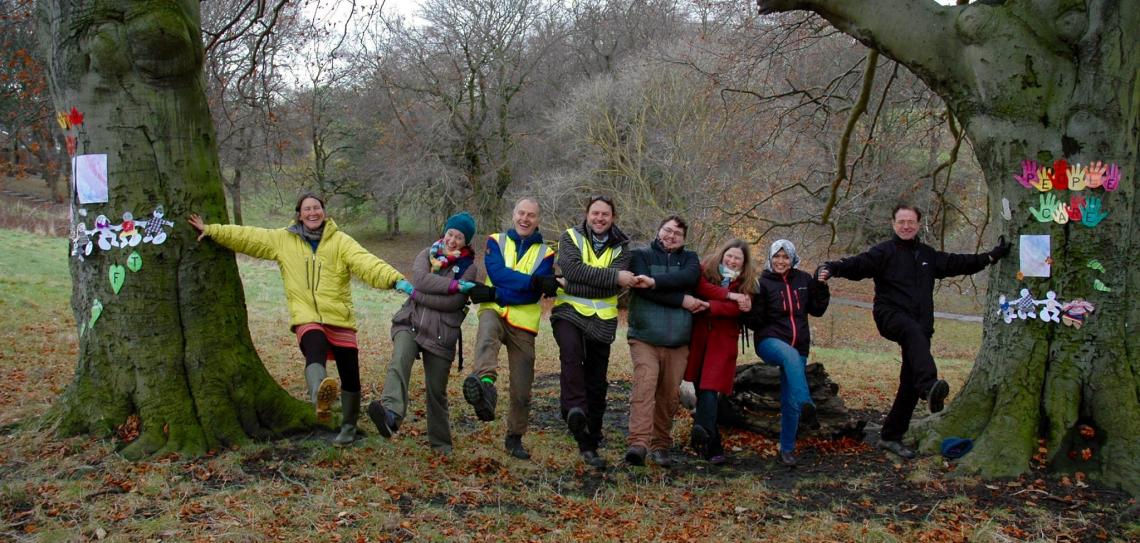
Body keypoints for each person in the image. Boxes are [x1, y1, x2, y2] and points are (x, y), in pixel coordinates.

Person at [187, 193, 403, 446]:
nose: (312, 213)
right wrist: (212, 230)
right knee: (315, 347)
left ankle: (347, 429)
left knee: (350, 374)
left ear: (324, 212)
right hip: (306, 315)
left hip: (340, 317)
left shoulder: (341, 241)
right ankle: (318, 396)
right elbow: (248, 237)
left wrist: (394, 279)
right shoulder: (282, 239)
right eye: (307, 209)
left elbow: (367, 263)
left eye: (317, 208)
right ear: (299, 214)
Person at [820, 204, 1010, 458]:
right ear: (893, 224)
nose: (906, 226)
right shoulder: (883, 252)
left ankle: (891, 436)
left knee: (909, 380)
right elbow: (858, 264)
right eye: (901, 222)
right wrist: (832, 268)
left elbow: (958, 263)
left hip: (921, 325)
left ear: (918, 225)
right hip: (891, 316)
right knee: (911, 334)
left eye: (911, 222)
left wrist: (991, 256)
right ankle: (929, 384)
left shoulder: (927, 255)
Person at [366, 212, 480, 455]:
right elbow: (419, 278)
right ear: (445, 232)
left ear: (466, 242)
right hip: (411, 322)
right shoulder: (426, 253)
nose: (452, 240)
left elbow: (452, 303)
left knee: (436, 391)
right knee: (399, 361)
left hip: (442, 333)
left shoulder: (469, 268)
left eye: (459, 237)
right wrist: (450, 286)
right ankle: (391, 415)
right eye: (450, 233)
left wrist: (418, 294)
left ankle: (441, 445)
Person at [461, 198, 558, 460]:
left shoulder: (547, 253)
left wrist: (495, 292)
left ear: (538, 220)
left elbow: (531, 295)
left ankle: (515, 437)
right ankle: (485, 387)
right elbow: (499, 273)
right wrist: (531, 282)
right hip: (493, 310)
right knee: (486, 338)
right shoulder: (495, 240)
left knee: (522, 388)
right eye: (521, 213)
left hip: (523, 322)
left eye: (531, 215)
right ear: (513, 215)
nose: (525, 219)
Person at [552, 195, 634, 469]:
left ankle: (593, 434)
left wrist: (572, 282)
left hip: (604, 318)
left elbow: (609, 288)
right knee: (571, 357)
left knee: (597, 381)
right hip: (569, 313)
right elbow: (573, 268)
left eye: (605, 215)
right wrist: (613, 278)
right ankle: (575, 413)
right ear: (586, 214)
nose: (599, 219)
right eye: (595, 213)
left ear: (613, 218)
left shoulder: (623, 246)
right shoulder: (569, 237)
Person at [624, 215, 703, 468]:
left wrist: (656, 283)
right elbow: (642, 287)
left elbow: (688, 279)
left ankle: (660, 445)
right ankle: (638, 444)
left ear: (684, 239)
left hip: (678, 341)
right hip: (644, 337)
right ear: (659, 231)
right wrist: (682, 300)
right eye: (667, 230)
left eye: (677, 234)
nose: (671, 236)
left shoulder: (690, 260)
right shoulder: (640, 256)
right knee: (645, 386)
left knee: (669, 395)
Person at [747, 239, 830, 466]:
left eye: (785, 257)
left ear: (793, 258)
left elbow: (817, 309)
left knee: (789, 399)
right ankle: (808, 405)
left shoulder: (803, 279)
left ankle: (787, 449)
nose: (781, 261)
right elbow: (755, 322)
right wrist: (751, 303)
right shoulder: (762, 281)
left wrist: (821, 287)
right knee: (791, 358)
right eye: (777, 256)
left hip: (799, 344)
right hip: (769, 341)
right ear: (770, 257)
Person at [684, 239, 757, 465]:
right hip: (698, 338)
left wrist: (711, 306)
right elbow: (701, 288)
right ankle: (704, 437)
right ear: (723, 253)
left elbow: (738, 309)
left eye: (738, 258)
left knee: (709, 388)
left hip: (723, 342)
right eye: (730, 255)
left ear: (744, 264)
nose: (732, 260)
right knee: (699, 383)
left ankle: (709, 442)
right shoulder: (706, 268)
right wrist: (729, 296)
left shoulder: (747, 283)